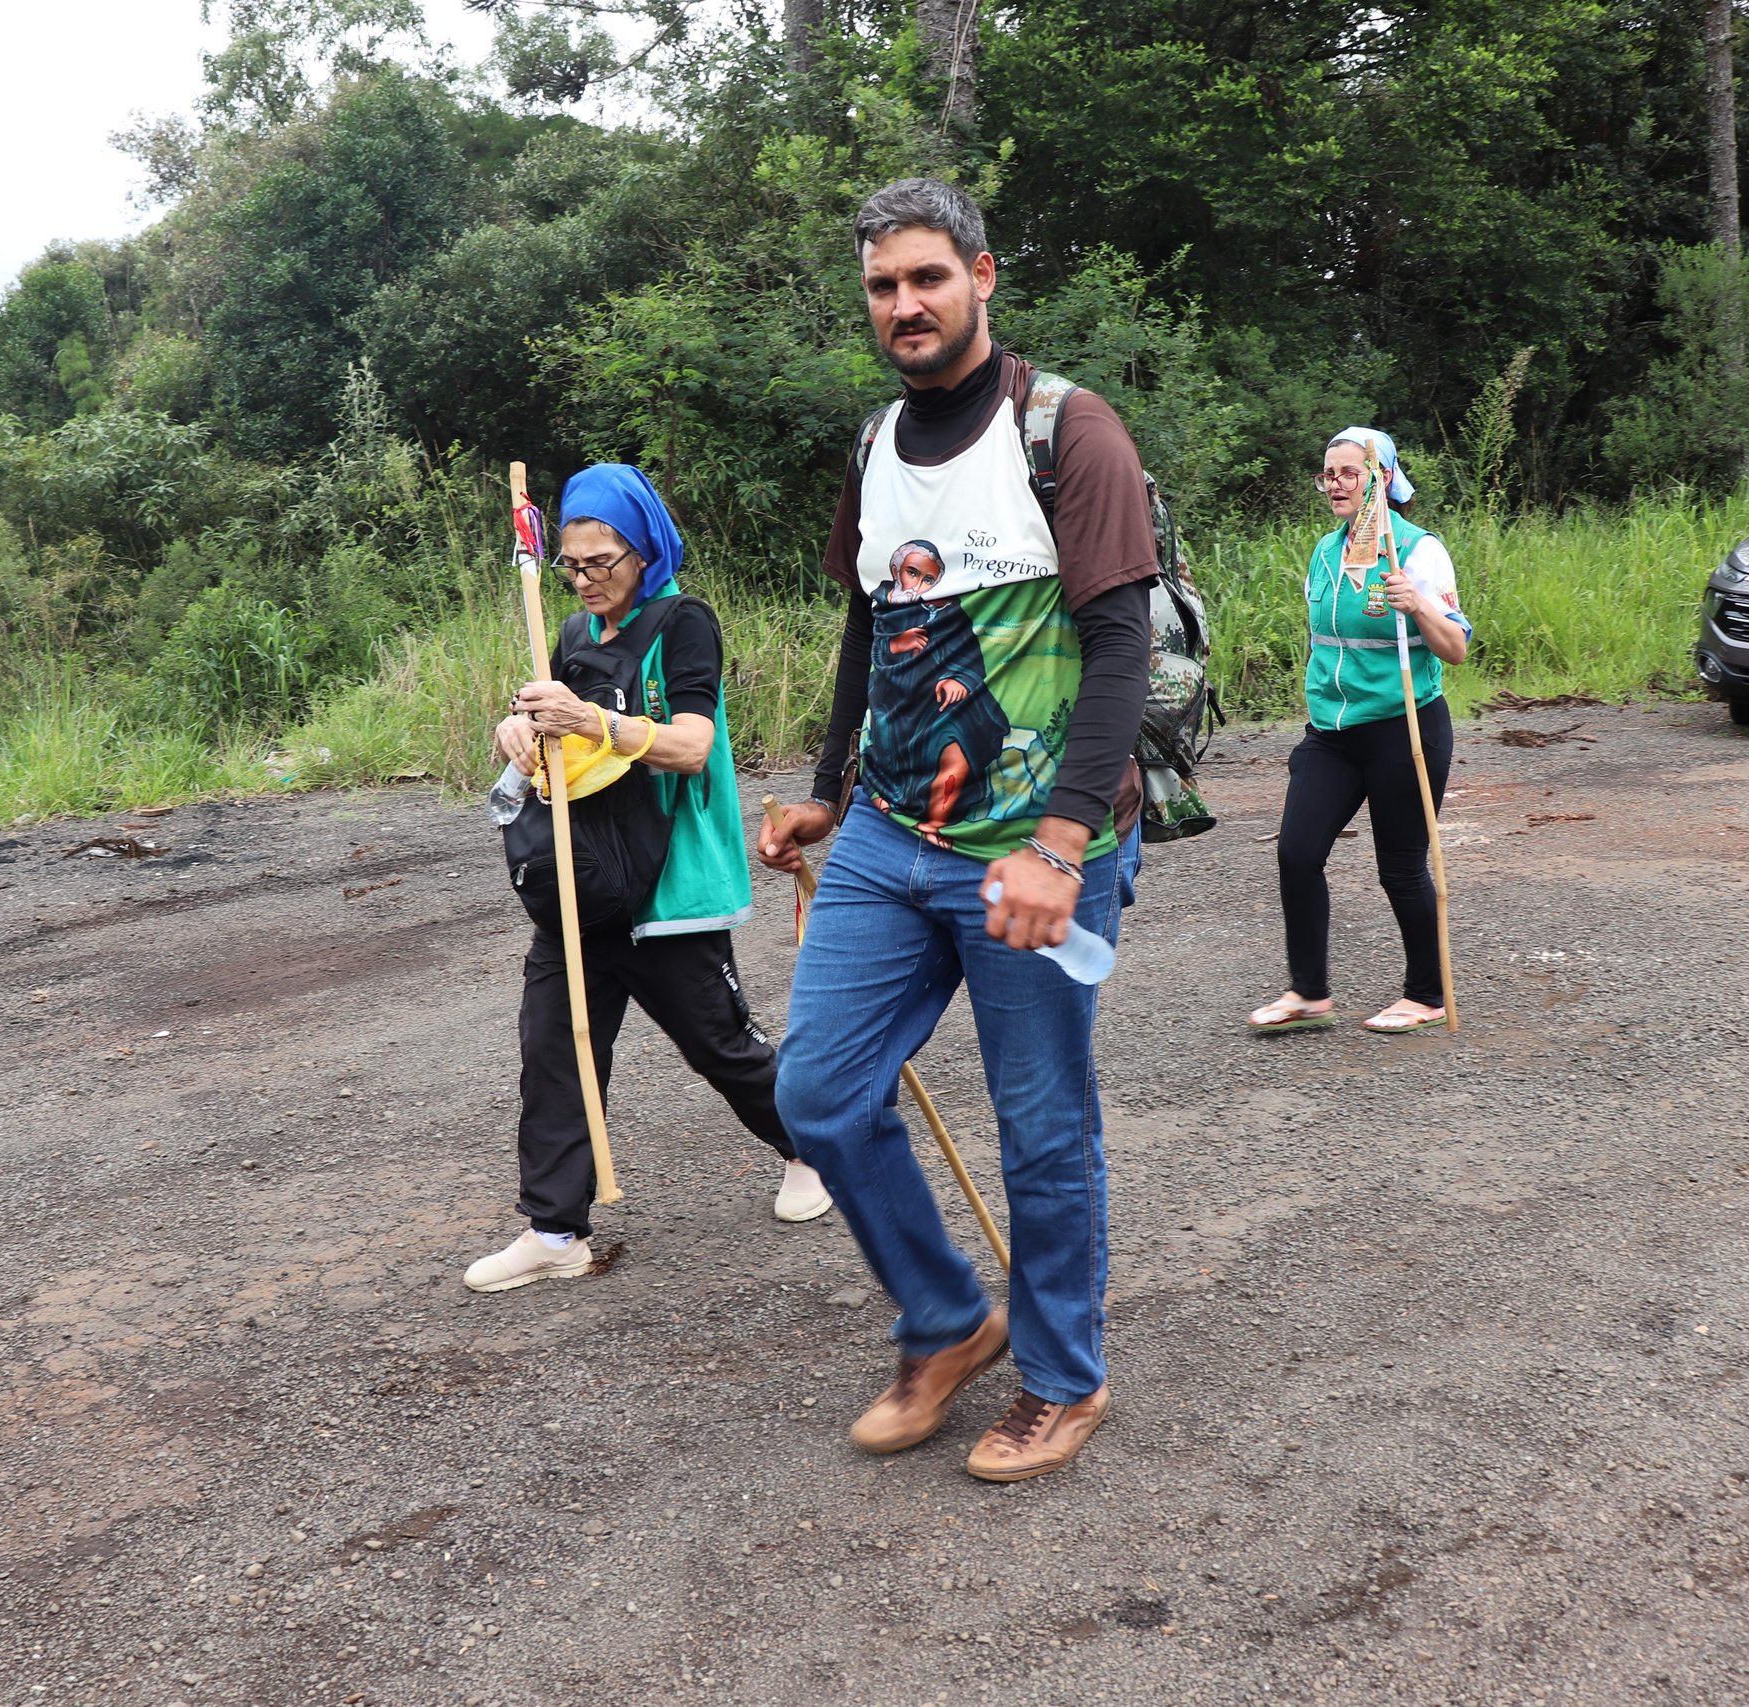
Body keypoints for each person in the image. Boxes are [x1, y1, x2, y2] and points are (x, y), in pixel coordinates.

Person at [760, 178, 1154, 1482]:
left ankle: (1062, 1378)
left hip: (1032, 844)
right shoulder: (876, 443)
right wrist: (828, 786)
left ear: (981, 276)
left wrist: (1059, 844)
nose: (905, 304)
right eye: (883, 285)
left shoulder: (1066, 429)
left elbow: (1120, 647)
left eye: (927, 276)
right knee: (818, 1091)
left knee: (1040, 1126)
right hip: (890, 833)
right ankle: (944, 1320)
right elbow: (869, 625)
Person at [465, 464, 830, 1293]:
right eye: (572, 565)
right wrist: (518, 730)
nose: (585, 579)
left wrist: (592, 718)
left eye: (602, 561)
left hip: (670, 883)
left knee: (720, 1046)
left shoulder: (683, 622)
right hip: (585, 878)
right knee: (554, 1049)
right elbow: (552, 732)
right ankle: (555, 1230)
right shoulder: (568, 633)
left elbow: (692, 746)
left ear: (645, 549)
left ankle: (817, 1149)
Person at [1247, 428, 1473, 1037]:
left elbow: (1455, 649)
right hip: (1332, 733)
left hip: (1404, 729)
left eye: (1349, 472)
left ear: (1382, 479)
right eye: (1328, 474)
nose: (1335, 484)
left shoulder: (1418, 550)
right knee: (1297, 853)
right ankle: (1308, 992)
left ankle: (1426, 994)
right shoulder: (1324, 553)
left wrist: (1418, 605)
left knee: (1399, 868)